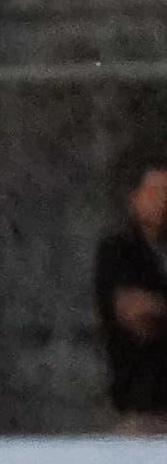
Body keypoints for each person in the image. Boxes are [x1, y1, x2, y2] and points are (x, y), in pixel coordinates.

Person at [95, 155, 167, 433]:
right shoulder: (119, 250)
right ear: (135, 199)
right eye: (155, 192)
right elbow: (136, 314)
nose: (163, 201)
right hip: (143, 409)